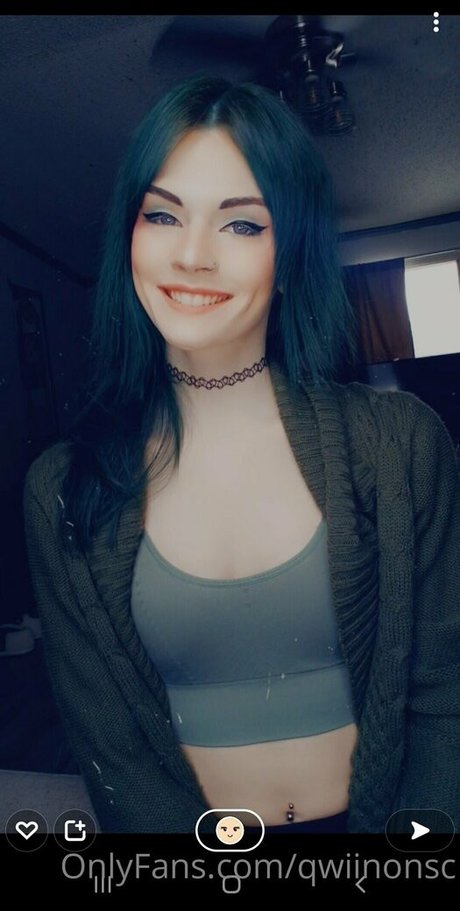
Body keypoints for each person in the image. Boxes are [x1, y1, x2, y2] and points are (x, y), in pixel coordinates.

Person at [22, 74, 460, 835]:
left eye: (242, 225)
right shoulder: (60, 487)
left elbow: (445, 699)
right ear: (129, 237)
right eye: (163, 214)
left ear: (289, 259)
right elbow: (112, 753)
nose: (192, 255)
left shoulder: (401, 444)